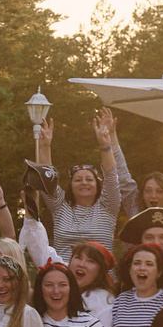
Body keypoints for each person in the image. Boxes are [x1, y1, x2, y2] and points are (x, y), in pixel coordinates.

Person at [30, 108, 123, 254]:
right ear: (71, 186)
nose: (84, 183)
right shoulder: (60, 206)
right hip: (64, 268)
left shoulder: (108, 206)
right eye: (78, 180)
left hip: (100, 268)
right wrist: (45, 147)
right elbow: (47, 180)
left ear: (98, 185)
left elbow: (111, 177)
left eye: (89, 179)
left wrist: (105, 146)